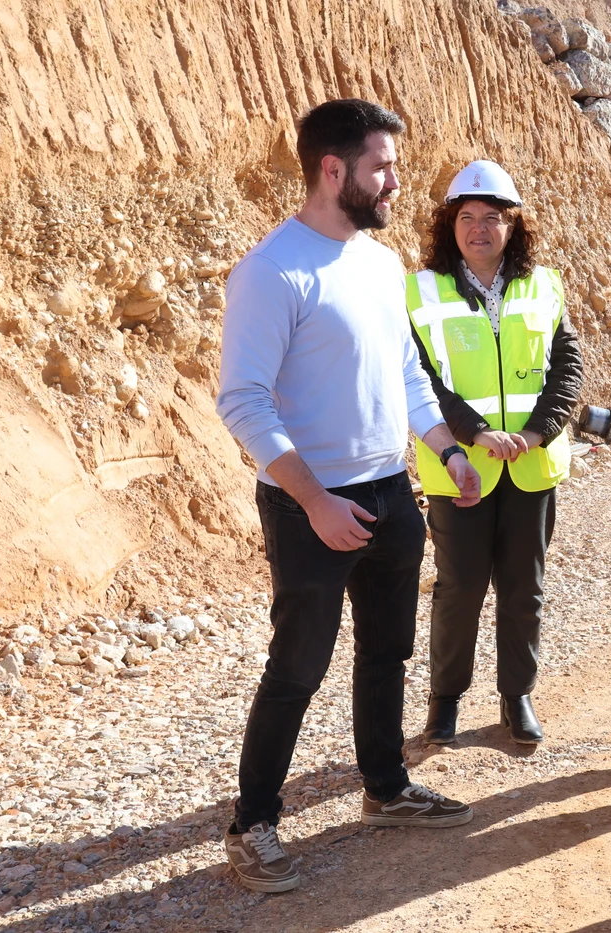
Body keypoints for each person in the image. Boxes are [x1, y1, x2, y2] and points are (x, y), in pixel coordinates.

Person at [216, 100, 482, 894]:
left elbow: (406, 373)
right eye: (382, 166)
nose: (396, 180)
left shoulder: (380, 262)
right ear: (333, 170)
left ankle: (386, 786)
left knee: (387, 649)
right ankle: (253, 823)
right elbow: (243, 402)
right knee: (297, 665)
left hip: (390, 488)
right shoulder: (272, 271)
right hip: (310, 502)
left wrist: (443, 449)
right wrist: (317, 502)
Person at [408, 161, 583, 749]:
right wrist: (476, 432)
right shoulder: (420, 291)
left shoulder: (546, 285)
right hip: (459, 468)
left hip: (530, 465)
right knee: (459, 588)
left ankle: (517, 697)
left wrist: (535, 435)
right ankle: (445, 701)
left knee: (523, 587)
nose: (477, 228)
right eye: (466, 217)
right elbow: (421, 378)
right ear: (448, 224)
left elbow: (567, 371)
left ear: (514, 225)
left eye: (491, 217)